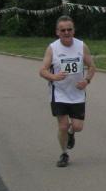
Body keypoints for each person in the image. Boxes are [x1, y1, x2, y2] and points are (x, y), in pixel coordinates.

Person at [39, 15, 95, 168]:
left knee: (77, 127)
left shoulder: (81, 46)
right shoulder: (52, 48)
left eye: (69, 29)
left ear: (73, 30)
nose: (66, 32)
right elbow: (42, 71)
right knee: (63, 126)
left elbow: (92, 66)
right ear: (57, 32)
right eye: (63, 30)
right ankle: (64, 153)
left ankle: (71, 133)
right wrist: (54, 77)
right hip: (59, 93)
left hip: (77, 93)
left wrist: (87, 80)